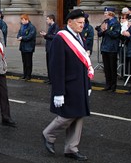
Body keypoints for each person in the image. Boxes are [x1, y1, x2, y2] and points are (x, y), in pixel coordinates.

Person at [42, 9, 93, 161]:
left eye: (83, 23)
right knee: (68, 115)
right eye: (79, 22)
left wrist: (88, 85)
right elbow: (56, 67)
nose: (82, 25)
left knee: (79, 116)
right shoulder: (61, 38)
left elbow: (83, 63)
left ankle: (71, 148)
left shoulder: (79, 37)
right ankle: (48, 134)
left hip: (80, 83)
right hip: (68, 85)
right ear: (69, 22)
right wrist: (58, 91)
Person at [96, 7, 121, 92]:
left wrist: (106, 30)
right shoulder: (105, 22)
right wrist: (101, 30)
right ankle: (108, 84)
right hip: (105, 47)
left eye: (106, 13)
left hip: (112, 48)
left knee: (112, 68)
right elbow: (100, 34)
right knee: (106, 68)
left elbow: (116, 34)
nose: (104, 15)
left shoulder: (115, 23)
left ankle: (113, 86)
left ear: (110, 13)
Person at [40, 14, 59, 84]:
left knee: (51, 64)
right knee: (48, 64)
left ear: (51, 19)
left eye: (47, 19)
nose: (46, 21)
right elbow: (49, 37)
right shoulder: (50, 26)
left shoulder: (55, 26)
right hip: (48, 48)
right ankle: (49, 78)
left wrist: (46, 35)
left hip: (52, 48)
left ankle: (52, 79)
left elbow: (55, 36)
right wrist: (45, 36)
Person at [17, 14, 37, 81]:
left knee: (28, 62)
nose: (22, 21)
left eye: (22, 20)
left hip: (29, 47)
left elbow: (30, 36)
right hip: (23, 47)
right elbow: (19, 33)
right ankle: (24, 74)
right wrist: (19, 37)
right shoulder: (22, 26)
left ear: (26, 20)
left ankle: (28, 75)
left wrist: (22, 38)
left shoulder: (31, 27)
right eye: (21, 20)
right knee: (24, 62)